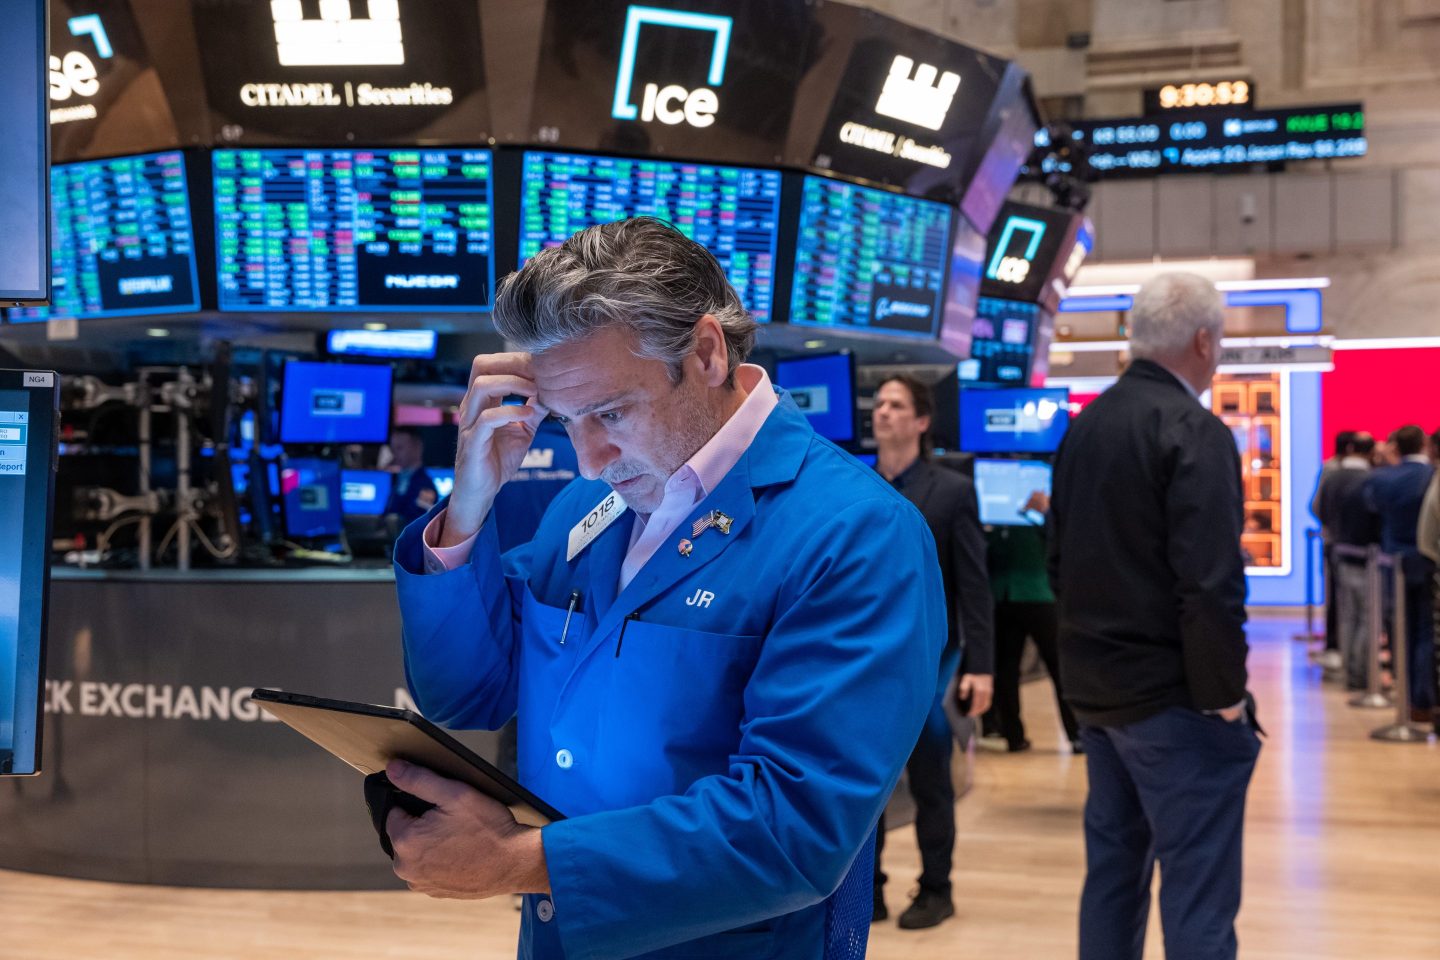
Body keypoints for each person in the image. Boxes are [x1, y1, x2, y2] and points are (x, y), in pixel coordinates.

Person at [387, 218, 946, 959]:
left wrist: (521, 862)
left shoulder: (856, 534)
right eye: (564, 421)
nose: (588, 459)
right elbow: (467, 694)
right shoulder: (586, 508)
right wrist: (468, 507)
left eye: (611, 413)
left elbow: (797, 826)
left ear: (706, 353)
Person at [1048, 272, 1260, 960]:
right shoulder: (1193, 430)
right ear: (1204, 340)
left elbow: (1059, 563)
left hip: (1096, 698)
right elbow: (1210, 585)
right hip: (1174, 706)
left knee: (1112, 879)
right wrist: (1226, 699)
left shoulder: (1084, 429)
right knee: (1198, 896)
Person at [868, 373, 994, 930]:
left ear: (922, 421)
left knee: (929, 777)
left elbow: (975, 586)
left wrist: (983, 667)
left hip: (928, 658)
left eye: (896, 405)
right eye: (879, 404)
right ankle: (865, 890)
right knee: (861, 782)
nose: (883, 412)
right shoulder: (855, 484)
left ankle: (936, 888)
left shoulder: (952, 491)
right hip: (864, 660)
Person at [987, 488, 1081, 754]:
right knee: (1005, 671)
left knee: (1058, 667)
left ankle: (1076, 735)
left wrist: (1046, 512)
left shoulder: (1040, 519)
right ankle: (1013, 736)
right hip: (1003, 597)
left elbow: (1062, 541)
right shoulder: (995, 521)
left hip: (1039, 596)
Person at [1363, 425, 1436, 720]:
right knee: (1426, 631)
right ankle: (1424, 697)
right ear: (1422, 444)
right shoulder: (1431, 475)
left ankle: (1407, 694)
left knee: (1401, 630)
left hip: (1393, 563)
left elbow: (1370, 509)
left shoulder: (1380, 479)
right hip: (1428, 562)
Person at [1315, 432, 1379, 688]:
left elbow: (1317, 507)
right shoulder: (1371, 479)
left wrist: (1333, 530)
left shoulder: (1331, 475)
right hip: (1367, 555)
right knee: (1364, 612)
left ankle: (1347, 663)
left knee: (1345, 610)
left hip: (1338, 548)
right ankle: (1360, 670)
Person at [1311, 431, 1359, 666]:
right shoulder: (1334, 470)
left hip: (1334, 541)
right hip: (1342, 543)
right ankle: (1337, 646)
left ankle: (1341, 648)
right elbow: (1318, 505)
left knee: (1340, 596)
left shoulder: (1330, 469)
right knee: (1340, 596)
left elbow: (1317, 506)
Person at [384, 426, 438, 526]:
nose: (395, 454)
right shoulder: (398, 480)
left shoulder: (425, 486)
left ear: (417, 447)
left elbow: (419, 523)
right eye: (392, 449)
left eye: (400, 448)